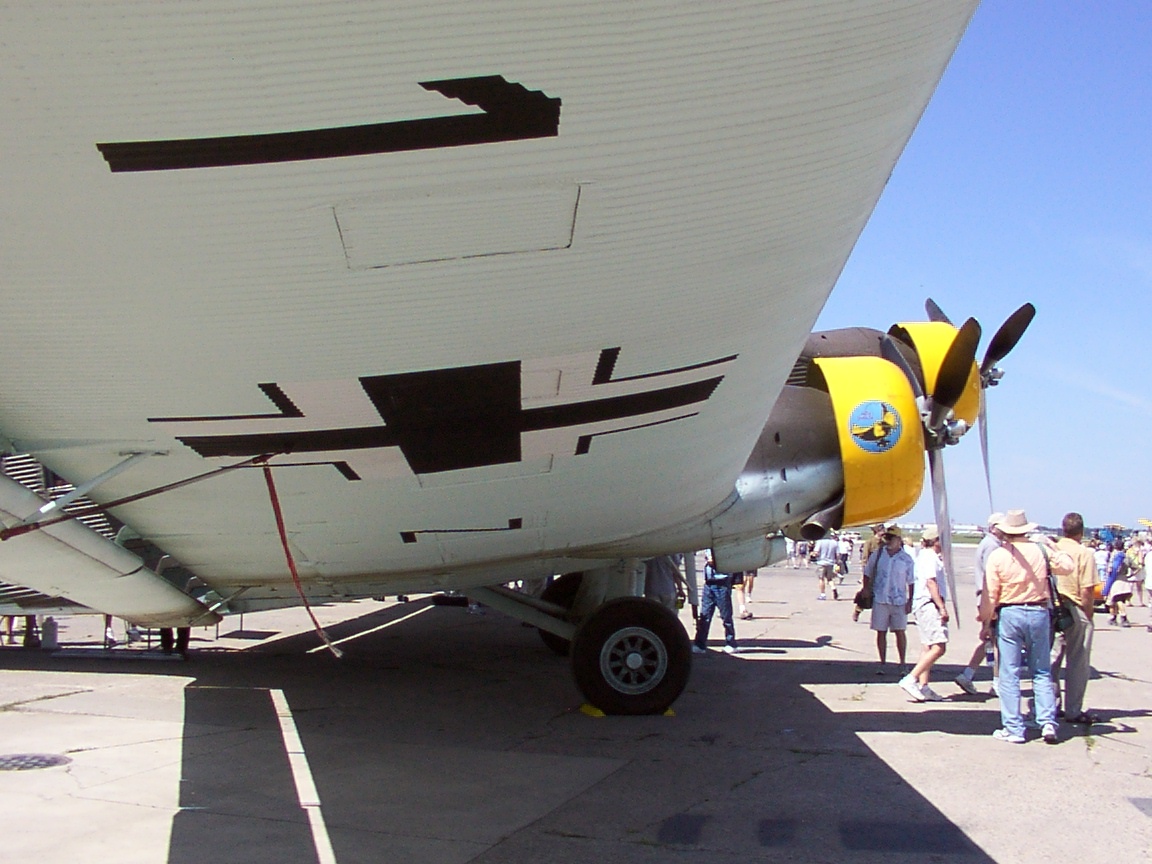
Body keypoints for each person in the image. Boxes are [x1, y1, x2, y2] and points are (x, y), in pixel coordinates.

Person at [978, 510, 1073, 744]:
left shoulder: (999, 555)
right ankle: (1048, 721)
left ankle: (1014, 727)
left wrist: (986, 621)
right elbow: (1068, 566)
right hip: (1039, 611)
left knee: (1009, 672)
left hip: (1010, 611)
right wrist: (1052, 545)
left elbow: (991, 594)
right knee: (1041, 670)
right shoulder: (1040, 551)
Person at [1050, 512, 1100, 725]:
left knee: (1052, 660)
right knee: (1077, 661)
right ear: (1081, 531)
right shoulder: (1084, 553)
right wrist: (1088, 613)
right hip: (1075, 606)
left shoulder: (1053, 550)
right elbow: (1087, 589)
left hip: (1054, 606)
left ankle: (1050, 705)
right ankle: (1073, 709)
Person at [954, 512, 1003, 695]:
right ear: (993, 528)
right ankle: (996, 681)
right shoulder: (992, 546)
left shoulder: (990, 544)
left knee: (990, 641)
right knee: (998, 642)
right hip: (989, 598)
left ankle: (969, 674)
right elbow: (992, 576)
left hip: (985, 597)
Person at [900, 526, 950, 701]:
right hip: (929, 604)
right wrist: (941, 607)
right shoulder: (929, 557)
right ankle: (911, 678)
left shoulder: (929, 556)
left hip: (923, 603)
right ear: (936, 541)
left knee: (927, 645)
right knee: (939, 645)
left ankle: (924, 685)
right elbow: (931, 582)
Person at [863, 525, 915, 674]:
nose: (888, 541)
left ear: (899, 540)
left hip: (898, 600)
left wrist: (910, 600)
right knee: (881, 631)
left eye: (891, 538)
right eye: (887, 538)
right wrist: (866, 588)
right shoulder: (879, 554)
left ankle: (902, 663)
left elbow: (911, 581)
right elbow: (868, 571)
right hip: (880, 598)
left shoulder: (906, 559)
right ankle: (882, 662)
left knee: (900, 631)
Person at [693, 555, 738, 654]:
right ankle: (700, 643)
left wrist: (713, 561)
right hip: (709, 584)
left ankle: (731, 643)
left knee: (726, 616)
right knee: (705, 616)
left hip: (722, 584)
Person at [853, 524, 885, 622]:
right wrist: (864, 572)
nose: (884, 531)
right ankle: (858, 610)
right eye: (882, 529)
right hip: (872, 573)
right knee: (866, 594)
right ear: (877, 531)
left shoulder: (884, 543)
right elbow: (865, 558)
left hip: (882, 572)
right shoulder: (869, 542)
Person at [1105, 539, 1132, 627]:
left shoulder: (1114, 557)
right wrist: (1129, 575)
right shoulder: (1126, 557)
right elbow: (1137, 567)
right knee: (1115, 601)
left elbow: (1110, 570)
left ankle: (1123, 617)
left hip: (1115, 581)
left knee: (1116, 599)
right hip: (1124, 580)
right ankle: (1113, 617)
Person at [814, 532, 840, 600]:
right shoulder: (835, 543)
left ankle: (823, 594)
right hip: (830, 563)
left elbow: (816, 552)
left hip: (821, 562)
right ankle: (833, 588)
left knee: (821, 578)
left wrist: (813, 554)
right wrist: (837, 562)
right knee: (829, 578)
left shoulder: (820, 541)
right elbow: (837, 555)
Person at [1127, 539, 1146, 607]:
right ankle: (1140, 601)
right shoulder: (1140, 551)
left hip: (1130, 568)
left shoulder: (1129, 550)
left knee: (1130, 586)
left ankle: (1128, 601)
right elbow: (1141, 560)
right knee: (1139, 586)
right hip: (1138, 568)